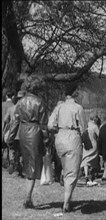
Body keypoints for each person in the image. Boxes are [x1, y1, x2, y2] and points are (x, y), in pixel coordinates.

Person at [7, 76, 49, 209]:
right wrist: (47, 141)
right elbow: (43, 125)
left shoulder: (20, 102)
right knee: (32, 167)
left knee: (27, 165)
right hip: (35, 132)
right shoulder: (39, 102)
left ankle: (28, 197)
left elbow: (14, 122)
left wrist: (10, 138)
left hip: (23, 132)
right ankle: (27, 198)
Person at [48, 83, 87, 213]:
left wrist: (57, 129)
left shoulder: (58, 107)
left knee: (65, 166)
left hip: (59, 138)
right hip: (72, 137)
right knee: (72, 172)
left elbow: (49, 125)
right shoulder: (78, 108)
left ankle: (64, 180)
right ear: (75, 94)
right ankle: (66, 203)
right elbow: (83, 128)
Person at [3, 90, 25, 177]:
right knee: (22, 151)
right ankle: (20, 166)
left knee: (13, 149)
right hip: (23, 133)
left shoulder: (11, 108)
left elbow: (5, 120)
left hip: (13, 133)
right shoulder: (25, 109)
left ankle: (13, 162)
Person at [80, 113, 100, 186]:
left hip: (86, 144)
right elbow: (99, 135)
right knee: (92, 160)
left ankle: (86, 175)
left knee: (85, 159)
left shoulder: (86, 125)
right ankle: (91, 176)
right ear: (95, 118)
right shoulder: (95, 126)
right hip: (93, 144)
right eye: (97, 118)